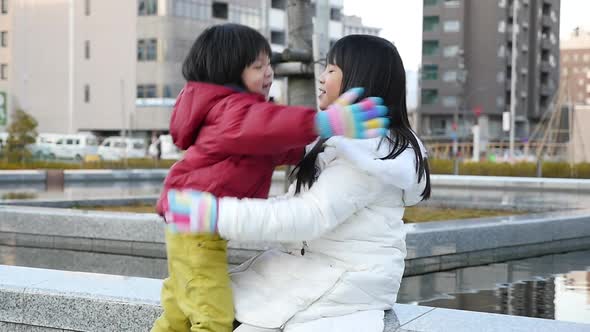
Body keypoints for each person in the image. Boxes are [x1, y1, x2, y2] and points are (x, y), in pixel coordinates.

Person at [165, 34, 432, 332]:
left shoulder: (372, 154)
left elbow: (309, 216)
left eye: (331, 70)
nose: (321, 78)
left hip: (349, 279)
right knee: (195, 295)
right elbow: (293, 201)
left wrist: (214, 214)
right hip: (313, 265)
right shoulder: (341, 141)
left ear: (360, 78)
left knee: (215, 311)